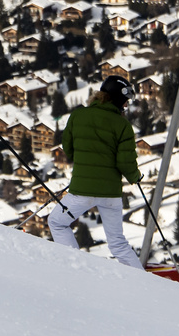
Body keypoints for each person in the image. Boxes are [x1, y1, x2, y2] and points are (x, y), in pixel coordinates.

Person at [48, 75, 144, 269]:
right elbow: (125, 163)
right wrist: (135, 177)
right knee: (117, 243)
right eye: (124, 103)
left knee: (57, 222)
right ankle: (142, 281)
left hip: (81, 191)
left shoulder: (78, 116)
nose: (125, 107)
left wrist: (85, 161)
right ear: (117, 100)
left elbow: (69, 149)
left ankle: (76, 267)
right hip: (110, 195)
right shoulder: (123, 125)